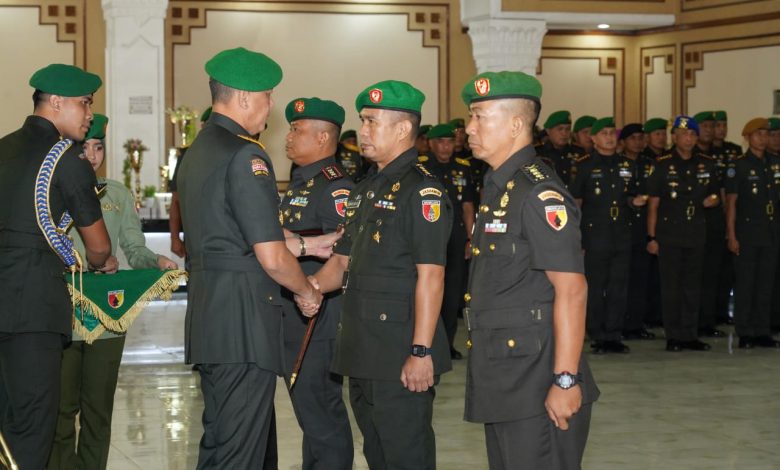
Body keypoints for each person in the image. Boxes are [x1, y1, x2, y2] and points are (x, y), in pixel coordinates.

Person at [177, 47, 323, 469]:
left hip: (211, 316)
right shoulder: (247, 155)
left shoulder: (198, 150)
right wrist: (306, 290)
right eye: (267, 95)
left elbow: (234, 234)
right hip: (243, 323)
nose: (271, 105)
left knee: (222, 444)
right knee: (239, 454)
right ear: (243, 97)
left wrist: (311, 245)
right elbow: (271, 255)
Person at [305, 79, 453, 469]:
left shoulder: (422, 192)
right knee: (377, 454)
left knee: (406, 455)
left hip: (400, 351)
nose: (363, 131)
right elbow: (341, 263)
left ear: (403, 129)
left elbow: (432, 276)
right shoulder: (365, 189)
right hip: (362, 349)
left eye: (372, 122)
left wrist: (421, 351)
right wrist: (309, 287)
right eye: (363, 121)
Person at [459, 70, 599, 469]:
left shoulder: (539, 192)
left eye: (480, 116)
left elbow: (572, 289)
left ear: (516, 124)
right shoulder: (500, 186)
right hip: (505, 375)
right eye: (471, 116)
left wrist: (565, 380)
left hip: (538, 380)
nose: (469, 128)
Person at [0, 63, 115, 469]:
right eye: (84, 103)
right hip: (33, 307)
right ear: (55, 102)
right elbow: (98, 246)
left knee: (5, 425)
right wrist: (102, 260)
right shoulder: (67, 159)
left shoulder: (3, 147)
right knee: (33, 429)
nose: (89, 114)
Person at [48, 114, 179, 470]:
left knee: (98, 411)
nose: (92, 156)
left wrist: (156, 260)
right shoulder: (50, 193)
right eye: (83, 148)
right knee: (61, 412)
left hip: (107, 318)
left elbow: (134, 248)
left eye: (98, 147)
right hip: (62, 314)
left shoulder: (117, 194)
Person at [279, 97, 354, 469]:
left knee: (321, 412)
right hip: (295, 310)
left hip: (319, 314)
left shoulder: (335, 188)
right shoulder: (301, 182)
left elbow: (342, 254)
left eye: (297, 129)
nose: (289, 137)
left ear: (324, 137)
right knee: (309, 414)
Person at [646, 115, 720, 352]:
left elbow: (716, 193)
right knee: (672, 287)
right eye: (683, 134)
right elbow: (653, 204)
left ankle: (690, 334)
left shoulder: (707, 163)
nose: (688, 138)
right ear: (674, 137)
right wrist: (651, 237)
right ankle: (674, 336)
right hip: (669, 233)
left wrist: (713, 200)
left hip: (696, 231)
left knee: (692, 286)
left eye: (692, 134)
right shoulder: (662, 164)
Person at [570, 118, 642, 354]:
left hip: (621, 233)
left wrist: (634, 201)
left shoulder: (627, 165)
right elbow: (576, 203)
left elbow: (630, 194)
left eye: (612, 133)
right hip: (595, 234)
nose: (609, 138)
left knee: (618, 287)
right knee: (596, 286)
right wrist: (577, 238)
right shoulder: (584, 165)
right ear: (593, 138)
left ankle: (614, 334)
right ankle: (597, 334)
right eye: (604, 133)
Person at [419, 123, 476, 360]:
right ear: (431, 143)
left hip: (455, 238)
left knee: (452, 294)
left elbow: (468, 206)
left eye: (449, 142)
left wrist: (471, 238)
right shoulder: (420, 167)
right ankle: (426, 342)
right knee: (426, 289)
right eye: (440, 142)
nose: (445, 147)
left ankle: (448, 345)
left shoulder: (462, 168)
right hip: (427, 236)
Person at [725, 118, 780, 349]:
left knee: (766, 284)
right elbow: (731, 203)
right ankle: (745, 331)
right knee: (746, 284)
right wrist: (731, 235)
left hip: (771, 231)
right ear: (747, 137)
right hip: (747, 232)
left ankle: (762, 331)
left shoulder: (774, 163)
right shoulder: (738, 165)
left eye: (766, 134)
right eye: (758, 134)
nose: (763, 138)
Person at [617, 123, 657, 340]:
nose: (638, 142)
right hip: (622, 228)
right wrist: (631, 201)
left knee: (641, 280)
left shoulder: (650, 164)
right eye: (633, 138)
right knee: (622, 280)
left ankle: (636, 323)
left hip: (643, 229)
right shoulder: (616, 163)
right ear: (623, 142)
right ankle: (620, 323)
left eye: (641, 138)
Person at [168, 106, 211, 259]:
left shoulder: (236, 152)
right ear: (203, 126)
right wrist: (174, 238)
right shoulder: (188, 155)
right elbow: (176, 200)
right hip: (195, 239)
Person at [536, 110, 583, 186]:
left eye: (567, 129)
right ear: (548, 131)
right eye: (560, 129)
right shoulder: (538, 153)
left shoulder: (579, 152)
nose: (564, 133)